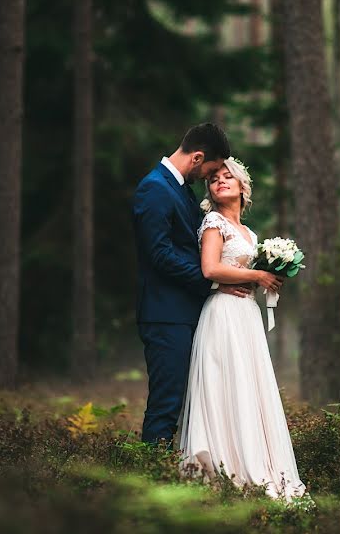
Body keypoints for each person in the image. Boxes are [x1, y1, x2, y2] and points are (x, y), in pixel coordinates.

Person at [176, 156, 307, 502]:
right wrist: (255, 275)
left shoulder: (249, 234)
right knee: (225, 384)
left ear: (241, 187)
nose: (220, 181)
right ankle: (222, 464)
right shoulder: (213, 223)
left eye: (227, 176)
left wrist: (270, 281)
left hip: (246, 316)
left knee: (248, 387)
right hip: (222, 317)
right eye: (214, 178)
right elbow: (209, 269)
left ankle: (256, 461)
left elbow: (246, 274)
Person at [133, 123, 245, 445]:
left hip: (188, 311)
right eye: (211, 170)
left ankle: (177, 470)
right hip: (165, 313)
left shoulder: (181, 189)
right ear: (197, 158)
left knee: (191, 399)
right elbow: (159, 254)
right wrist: (211, 280)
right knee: (167, 401)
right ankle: (153, 476)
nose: (211, 178)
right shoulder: (154, 188)